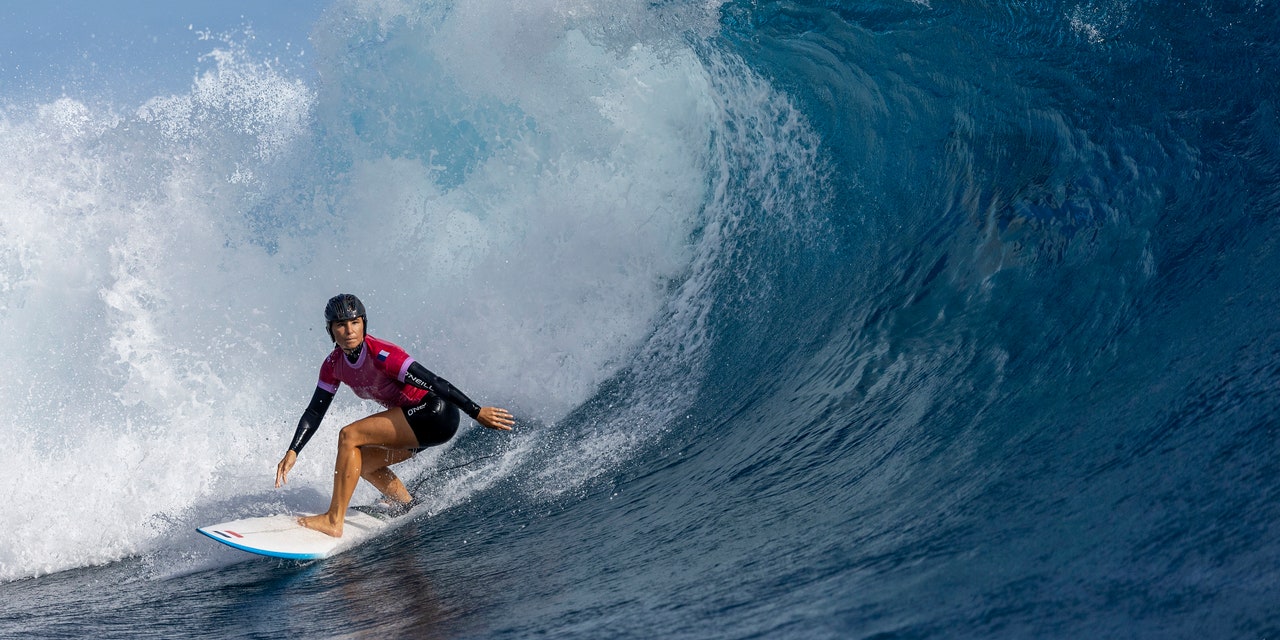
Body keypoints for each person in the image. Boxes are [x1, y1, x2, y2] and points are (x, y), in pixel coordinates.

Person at [274, 293, 514, 537]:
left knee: (349, 435)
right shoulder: (333, 365)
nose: (349, 330)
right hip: (416, 423)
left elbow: (435, 382)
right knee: (361, 464)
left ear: (364, 323)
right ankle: (406, 504)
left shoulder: (382, 355)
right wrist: (293, 450)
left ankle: (333, 520)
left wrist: (475, 411)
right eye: (341, 324)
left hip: (434, 413)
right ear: (330, 330)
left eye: (355, 322)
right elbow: (315, 410)